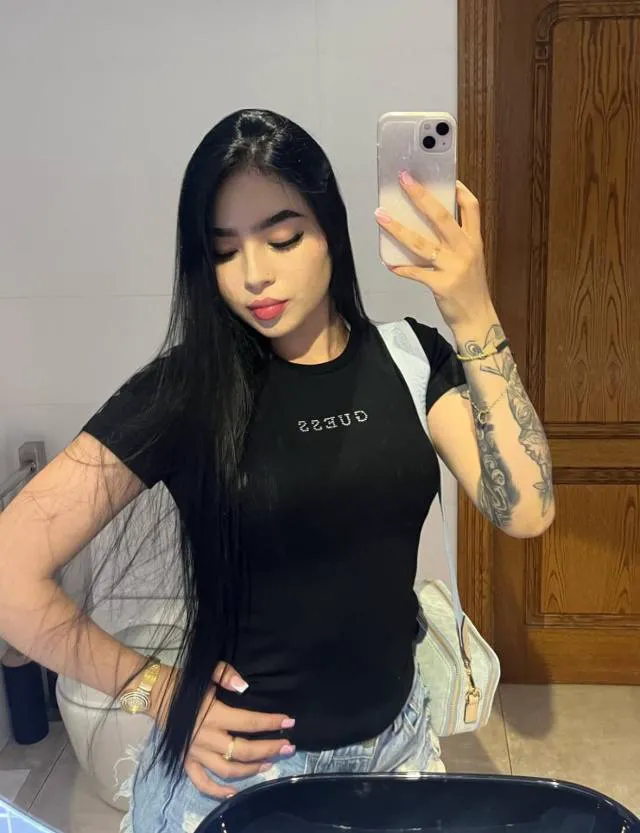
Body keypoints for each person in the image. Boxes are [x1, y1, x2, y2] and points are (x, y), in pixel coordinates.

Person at [0, 109, 554, 833]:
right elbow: (10, 569)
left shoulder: (411, 359)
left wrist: (471, 308)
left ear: (331, 230)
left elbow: (526, 510)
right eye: (224, 250)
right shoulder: (186, 391)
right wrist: (154, 690)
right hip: (242, 776)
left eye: (283, 237)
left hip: (398, 749)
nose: (254, 274)